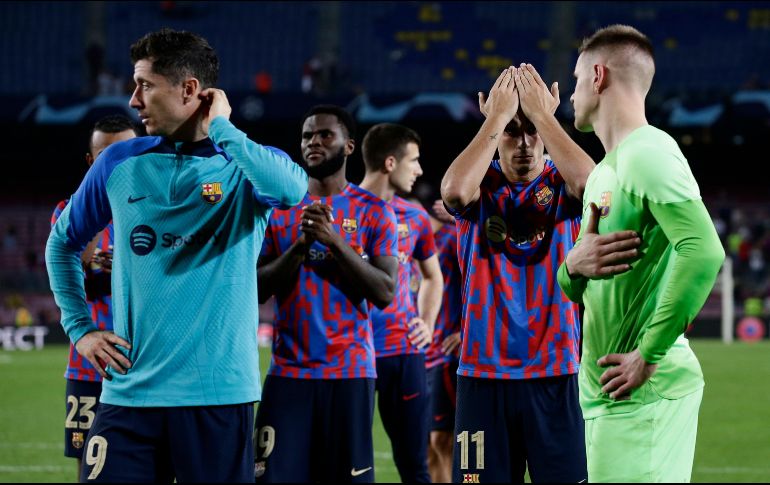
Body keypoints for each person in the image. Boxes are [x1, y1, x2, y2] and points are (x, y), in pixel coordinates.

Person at [45, 28, 308, 483]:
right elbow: (61, 243)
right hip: (128, 395)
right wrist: (80, 329)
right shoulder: (118, 162)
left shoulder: (243, 165)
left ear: (190, 90)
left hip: (217, 397)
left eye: (145, 85)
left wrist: (223, 128)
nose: (133, 100)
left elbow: (291, 189)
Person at [537, 24, 725, 482]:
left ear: (598, 76)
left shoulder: (649, 152)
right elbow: (577, 285)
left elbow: (702, 250)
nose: (572, 93)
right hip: (609, 396)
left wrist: (649, 353)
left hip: (645, 392)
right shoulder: (604, 171)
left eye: (577, 79)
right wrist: (571, 266)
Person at [440, 66, 596, 483]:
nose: (524, 143)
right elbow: (454, 191)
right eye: (512, 130)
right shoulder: (480, 184)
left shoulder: (562, 185)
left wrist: (543, 115)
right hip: (482, 376)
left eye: (532, 130)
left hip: (556, 373)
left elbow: (593, 184)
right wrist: (495, 116)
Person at [254, 105, 398, 483]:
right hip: (288, 372)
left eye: (324, 135)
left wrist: (334, 241)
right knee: (270, 478)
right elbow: (255, 288)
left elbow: (385, 292)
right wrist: (300, 246)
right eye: (306, 136)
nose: (313, 142)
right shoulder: (279, 210)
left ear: (349, 146)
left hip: (349, 374)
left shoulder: (375, 212)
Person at [49, 114, 138, 479]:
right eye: (105, 156)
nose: (116, 164)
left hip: (140, 364)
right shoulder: (69, 212)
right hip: (88, 365)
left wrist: (130, 266)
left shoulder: (154, 208)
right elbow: (67, 268)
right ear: (91, 161)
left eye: (125, 153)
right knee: (89, 467)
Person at [359, 123, 443, 483]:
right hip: (352, 356)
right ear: (391, 163)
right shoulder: (342, 209)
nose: (420, 170)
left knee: (414, 464)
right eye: (415, 161)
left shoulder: (415, 217)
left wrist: (426, 321)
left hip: (404, 352)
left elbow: (432, 276)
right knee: (351, 465)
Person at [423, 199, 462, 484]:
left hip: (446, 354)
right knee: (426, 445)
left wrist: (465, 331)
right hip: (420, 353)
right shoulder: (413, 245)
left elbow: (481, 281)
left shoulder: (451, 238)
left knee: (442, 439)